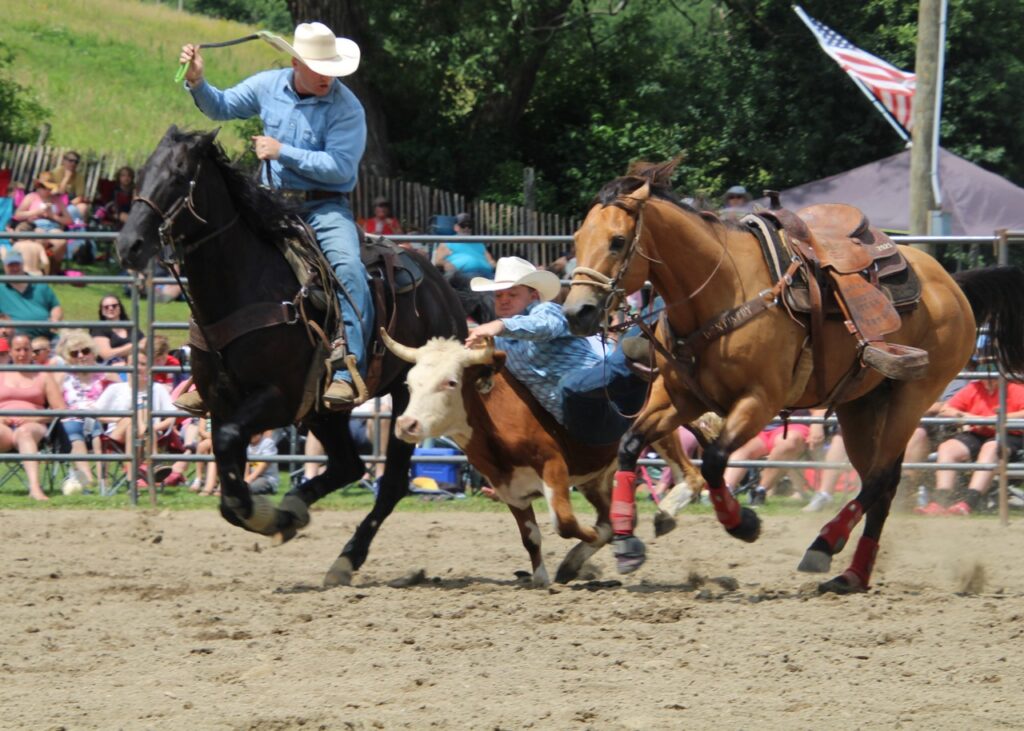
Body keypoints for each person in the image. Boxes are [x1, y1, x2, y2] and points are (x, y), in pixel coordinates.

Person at [178, 20, 371, 410]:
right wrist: (198, 81)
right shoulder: (268, 86)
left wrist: (283, 150)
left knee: (348, 268)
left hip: (323, 206)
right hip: (267, 203)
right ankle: (207, 367)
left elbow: (342, 169)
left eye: (332, 70)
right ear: (296, 63)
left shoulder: (347, 108)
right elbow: (223, 105)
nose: (327, 78)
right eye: (320, 68)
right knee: (216, 261)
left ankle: (349, 369)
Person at [465, 256, 652, 570]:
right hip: (579, 426)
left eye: (513, 294)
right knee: (566, 393)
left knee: (572, 386)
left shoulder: (547, 311)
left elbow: (545, 326)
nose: (504, 301)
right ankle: (638, 358)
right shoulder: (499, 344)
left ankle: (639, 351)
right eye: (499, 296)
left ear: (533, 295)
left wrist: (499, 324)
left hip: (607, 404)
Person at [916, 369, 1024, 516]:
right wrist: (972, 417)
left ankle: (968, 502)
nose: (988, 381)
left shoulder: (1016, 388)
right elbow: (946, 410)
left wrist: (999, 418)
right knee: (948, 448)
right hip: (977, 433)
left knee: (991, 447)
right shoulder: (974, 387)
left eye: (992, 377)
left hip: (1010, 434)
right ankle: (940, 501)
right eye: (985, 376)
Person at [93, 347, 176, 487]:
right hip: (118, 434)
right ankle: (154, 461)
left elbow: (171, 417)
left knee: (135, 424)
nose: (138, 368)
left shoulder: (158, 389)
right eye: (134, 363)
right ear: (127, 366)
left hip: (147, 435)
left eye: (143, 364)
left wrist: (153, 428)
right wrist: (117, 419)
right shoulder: (116, 389)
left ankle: (132, 481)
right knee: (137, 413)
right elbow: (96, 414)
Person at [0, 334, 68, 500]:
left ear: (32, 352)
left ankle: (35, 488)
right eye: (18, 349)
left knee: (25, 433)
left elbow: (60, 408)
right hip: (4, 424)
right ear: (10, 352)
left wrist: (35, 418)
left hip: (34, 423)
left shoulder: (43, 375)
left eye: (26, 349)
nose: (22, 353)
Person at [56, 329, 119, 493]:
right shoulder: (62, 377)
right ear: (68, 357)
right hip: (72, 419)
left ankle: (102, 480)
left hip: (101, 419)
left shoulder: (108, 375)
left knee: (98, 431)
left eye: (85, 351)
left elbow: (121, 399)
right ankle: (89, 480)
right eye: (74, 353)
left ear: (93, 352)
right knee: (73, 433)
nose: (81, 356)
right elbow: (55, 403)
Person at [722, 409, 822, 506]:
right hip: (763, 429)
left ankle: (760, 491)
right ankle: (725, 492)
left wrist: (817, 425)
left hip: (794, 426)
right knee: (741, 449)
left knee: (788, 443)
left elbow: (821, 407)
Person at [10, 172, 72, 264]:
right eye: (43, 187)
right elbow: (17, 215)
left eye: (49, 188)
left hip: (53, 226)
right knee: (41, 238)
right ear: (38, 186)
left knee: (61, 242)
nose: (47, 190)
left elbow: (69, 221)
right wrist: (36, 212)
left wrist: (52, 216)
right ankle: (37, 265)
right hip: (35, 225)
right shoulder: (31, 197)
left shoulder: (57, 199)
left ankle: (51, 268)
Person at [0, 251, 63, 340]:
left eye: (17, 264)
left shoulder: (39, 284)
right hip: (14, 342)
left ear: (23, 265)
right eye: (10, 265)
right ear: (4, 267)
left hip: (46, 338)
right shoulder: (1, 288)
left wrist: (55, 319)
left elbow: (55, 306)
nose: (14, 268)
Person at [433, 213, 495, 278]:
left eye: (469, 225)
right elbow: (437, 261)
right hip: (463, 275)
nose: (466, 228)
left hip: (487, 275)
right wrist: (446, 264)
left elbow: (490, 261)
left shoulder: (478, 243)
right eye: (463, 225)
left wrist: (497, 266)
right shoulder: (448, 242)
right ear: (456, 227)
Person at [90, 294, 135, 364]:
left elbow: (145, 344)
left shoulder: (130, 326)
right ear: (102, 311)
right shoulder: (98, 328)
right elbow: (106, 355)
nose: (110, 308)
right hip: (108, 368)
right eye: (106, 307)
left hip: (132, 366)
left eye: (114, 306)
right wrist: (133, 346)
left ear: (120, 308)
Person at [49, 151, 89, 223]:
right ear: (63, 161)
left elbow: (80, 197)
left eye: (76, 162)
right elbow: (60, 192)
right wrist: (66, 178)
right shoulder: (55, 173)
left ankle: (80, 230)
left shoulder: (79, 177)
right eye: (70, 161)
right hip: (55, 200)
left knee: (83, 207)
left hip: (70, 202)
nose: (73, 164)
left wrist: (68, 204)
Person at [244, 429, 280, 495]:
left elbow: (265, 464)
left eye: (254, 434)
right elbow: (246, 464)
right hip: (252, 478)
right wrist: (245, 480)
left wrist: (249, 479)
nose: (251, 436)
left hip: (266, 479)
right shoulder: (246, 445)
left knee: (250, 487)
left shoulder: (267, 443)